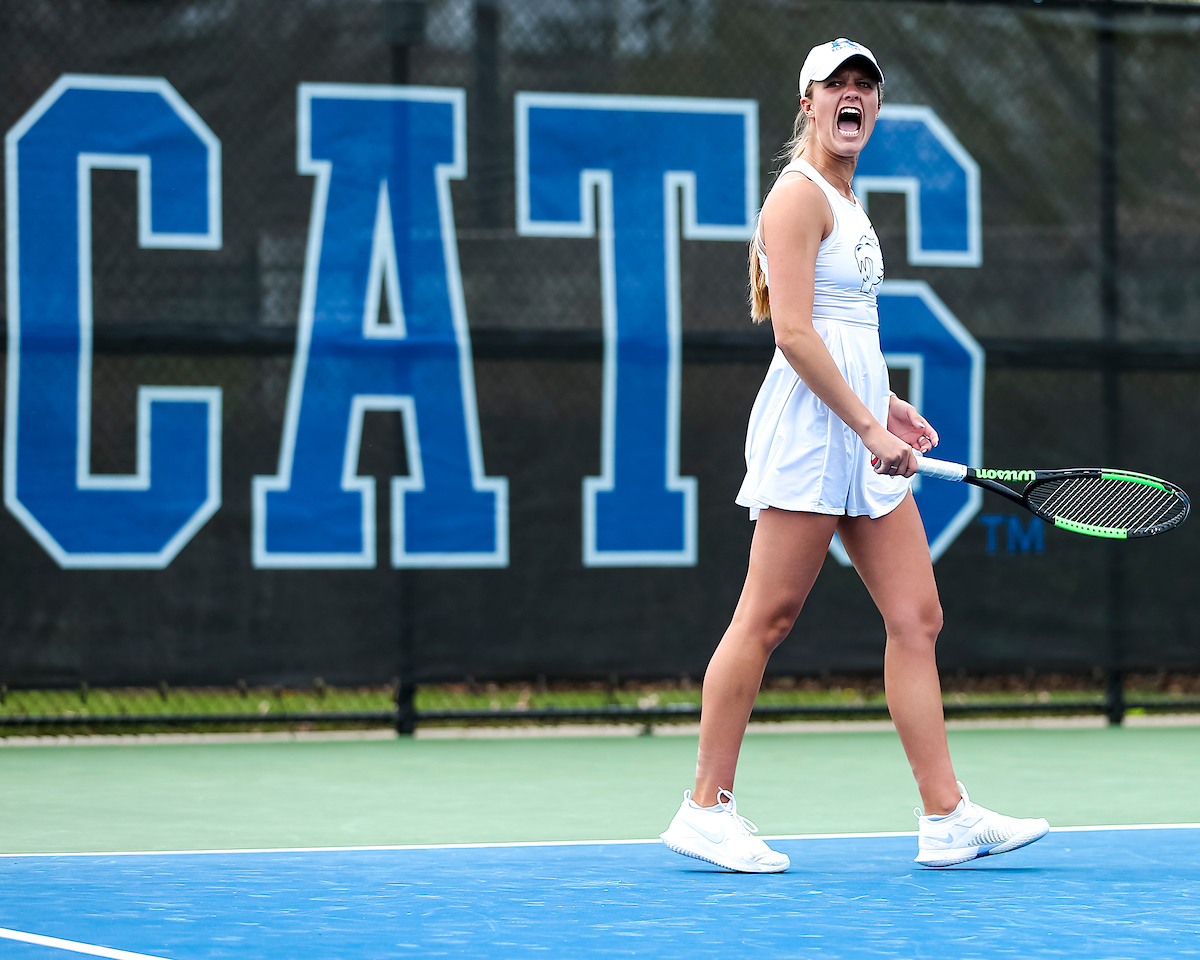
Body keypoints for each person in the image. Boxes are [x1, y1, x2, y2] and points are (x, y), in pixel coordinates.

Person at [659, 39, 1049, 871]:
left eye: (865, 86)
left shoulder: (850, 200)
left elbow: (845, 330)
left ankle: (945, 818)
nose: (852, 96)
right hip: (810, 432)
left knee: (918, 617)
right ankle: (703, 809)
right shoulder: (797, 199)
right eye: (836, 84)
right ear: (808, 103)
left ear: (875, 108)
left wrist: (887, 406)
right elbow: (795, 333)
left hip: (854, 425)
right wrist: (866, 428)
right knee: (767, 617)